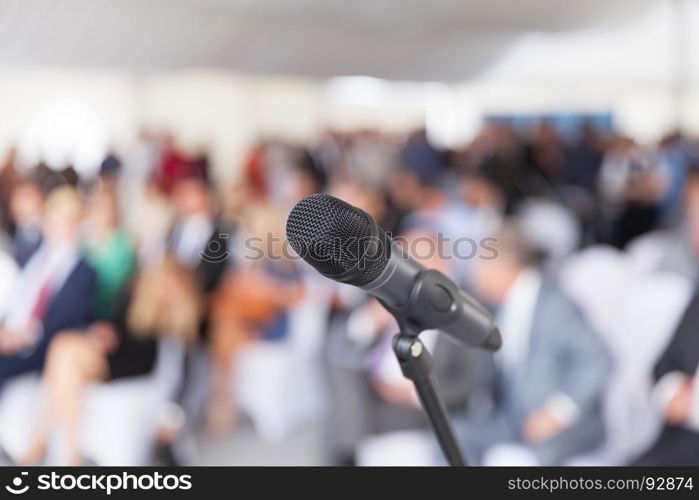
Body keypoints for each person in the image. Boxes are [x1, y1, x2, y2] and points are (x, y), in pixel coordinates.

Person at [18, 255, 203, 465]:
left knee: (65, 351)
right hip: (114, 353)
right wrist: (104, 332)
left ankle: (45, 443)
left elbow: (184, 367)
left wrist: (175, 413)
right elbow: (115, 325)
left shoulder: (182, 316)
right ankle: (68, 453)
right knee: (64, 351)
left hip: (136, 367)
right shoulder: (135, 296)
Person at [457, 222, 612, 465]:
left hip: (562, 427)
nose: (476, 276)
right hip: (513, 420)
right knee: (454, 434)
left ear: (505, 266)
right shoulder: (497, 307)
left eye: (482, 266)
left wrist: (558, 412)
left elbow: (599, 359)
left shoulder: (554, 304)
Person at [0, 186, 96, 386]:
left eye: (61, 220)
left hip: (36, 348)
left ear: (76, 224)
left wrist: (22, 336)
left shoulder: (83, 273)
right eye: (50, 219)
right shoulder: (37, 256)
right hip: (11, 332)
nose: (53, 226)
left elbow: (64, 324)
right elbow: (18, 299)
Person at [83, 187, 135, 319]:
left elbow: (116, 282)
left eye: (105, 210)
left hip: (110, 310)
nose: (99, 215)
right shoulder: (82, 239)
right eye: (97, 209)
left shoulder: (123, 243)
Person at [8, 180, 44, 267]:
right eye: (18, 198)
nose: (21, 203)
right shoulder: (10, 231)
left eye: (27, 197)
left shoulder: (47, 232)